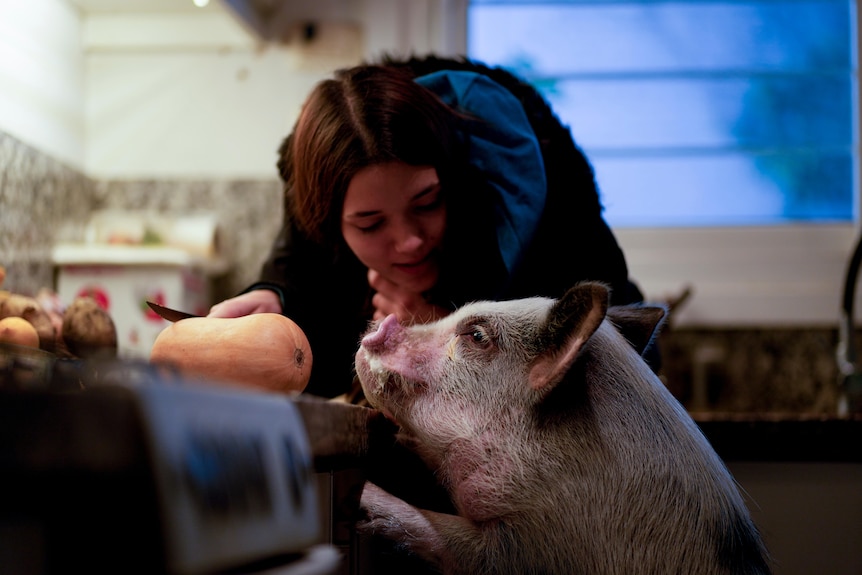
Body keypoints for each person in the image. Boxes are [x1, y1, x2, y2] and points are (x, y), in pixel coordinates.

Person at [208, 55, 647, 399]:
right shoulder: (314, 213)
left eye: (427, 202)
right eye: (370, 224)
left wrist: (446, 340)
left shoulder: (554, 210)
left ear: (453, 181)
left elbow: (613, 368)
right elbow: (302, 284)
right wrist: (273, 297)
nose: (409, 241)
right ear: (327, 223)